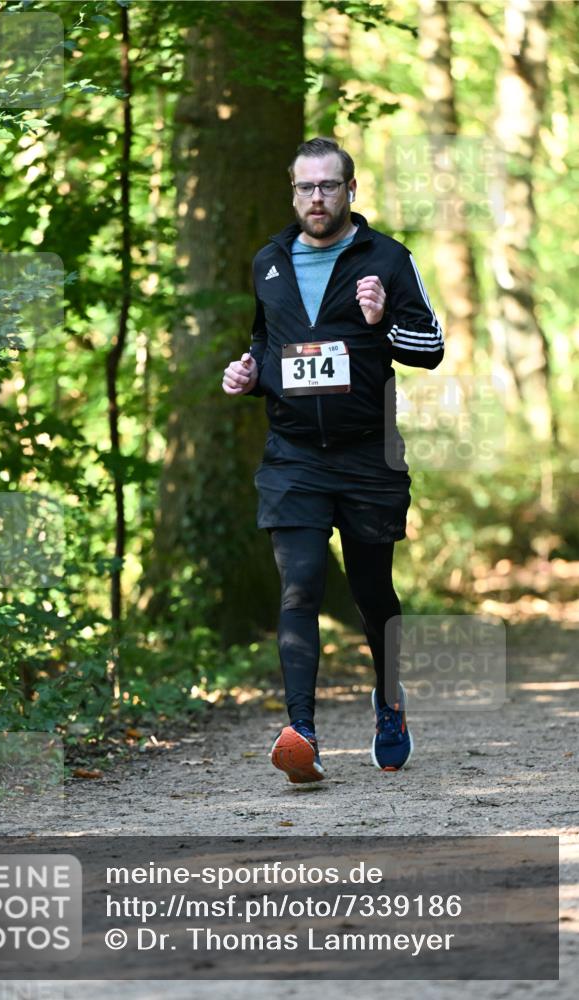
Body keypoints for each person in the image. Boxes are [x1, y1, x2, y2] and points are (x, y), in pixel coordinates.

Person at [222, 137, 443, 783]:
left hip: (368, 456)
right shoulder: (268, 260)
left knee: (373, 593)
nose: (315, 198)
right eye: (304, 188)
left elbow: (428, 347)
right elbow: (269, 344)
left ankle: (390, 701)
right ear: (292, 193)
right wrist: (248, 372)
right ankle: (302, 734)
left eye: (327, 186)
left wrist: (379, 321)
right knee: (299, 585)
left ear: (351, 190)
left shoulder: (387, 258)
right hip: (292, 455)